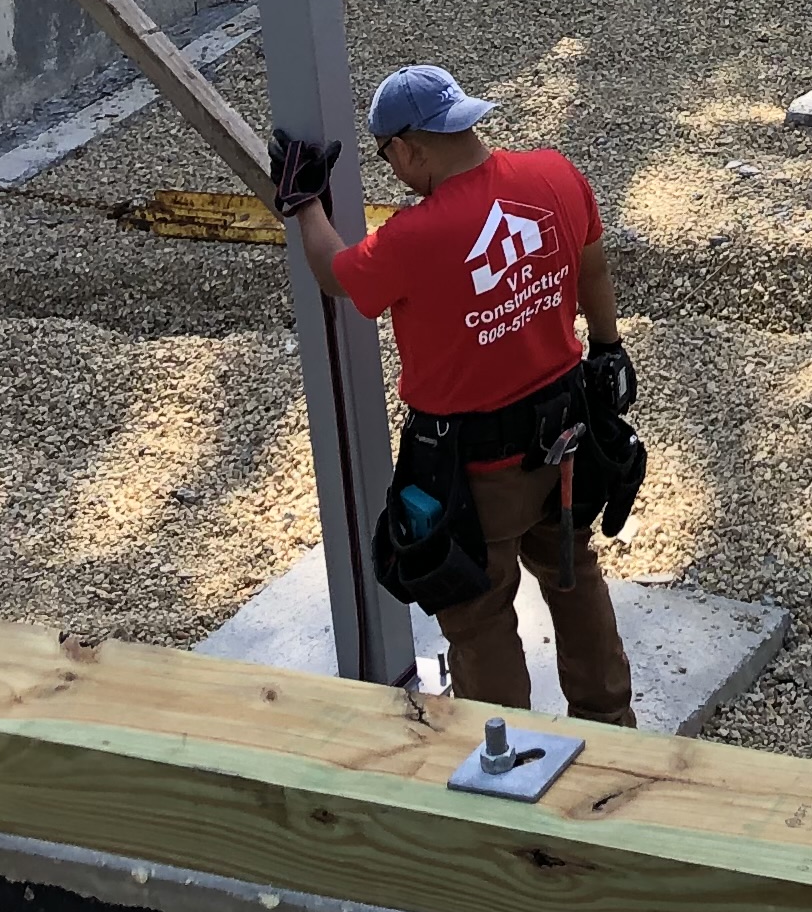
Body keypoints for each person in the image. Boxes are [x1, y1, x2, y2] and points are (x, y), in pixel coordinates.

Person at [269, 64, 637, 726]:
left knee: (477, 609)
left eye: (390, 160)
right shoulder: (553, 175)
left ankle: (507, 755)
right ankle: (612, 725)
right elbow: (593, 265)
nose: (395, 173)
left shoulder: (416, 238)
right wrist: (608, 348)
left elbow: (336, 276)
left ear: (409, 148)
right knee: (572, 572)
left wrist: (303, 203)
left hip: (475, 469)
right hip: (564, 440)